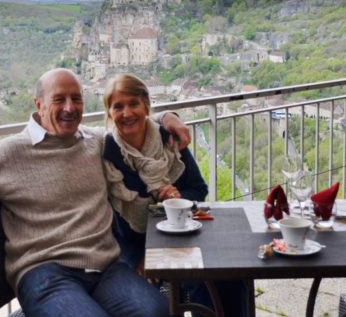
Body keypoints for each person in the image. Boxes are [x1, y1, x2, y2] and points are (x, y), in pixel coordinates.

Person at [0, 68, 190, 317]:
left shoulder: (95, 141)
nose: (69, 107)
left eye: (76, 99)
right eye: (59, 99)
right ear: (39, 105)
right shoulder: (12, 151)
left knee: (160, 311)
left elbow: (132, 124)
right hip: (46, 273)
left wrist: (169, 116)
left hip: (106, 269)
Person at [102, 74, 247, 317]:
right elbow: (117, 223)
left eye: (133, 104)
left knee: (228, 278)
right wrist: (151, 254)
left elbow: (198, 188)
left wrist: (176, 196)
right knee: (168, 290)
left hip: (182, 234)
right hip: (132, 245)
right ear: (109, 113)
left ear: (146, 105)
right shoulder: (107, 150)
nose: (127, 113)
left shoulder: (168, 138)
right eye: (118, 106)